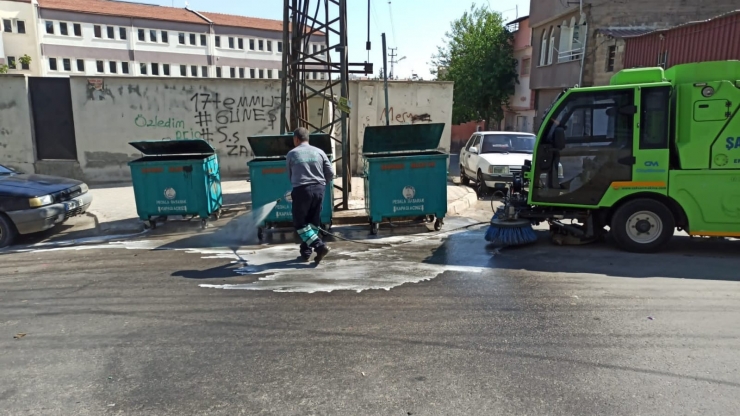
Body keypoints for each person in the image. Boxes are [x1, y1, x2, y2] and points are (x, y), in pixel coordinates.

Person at [286, 127, 334, 263]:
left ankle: (319, 247)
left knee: (300, 223)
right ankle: (306, 252)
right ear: (308, 138)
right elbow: (330, 173)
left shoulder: (292, 154)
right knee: (312, 222)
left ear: (296, 139)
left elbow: (290, 176)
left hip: (302, 189)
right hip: (319, 189)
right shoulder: (320, 152)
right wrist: (321, 183)